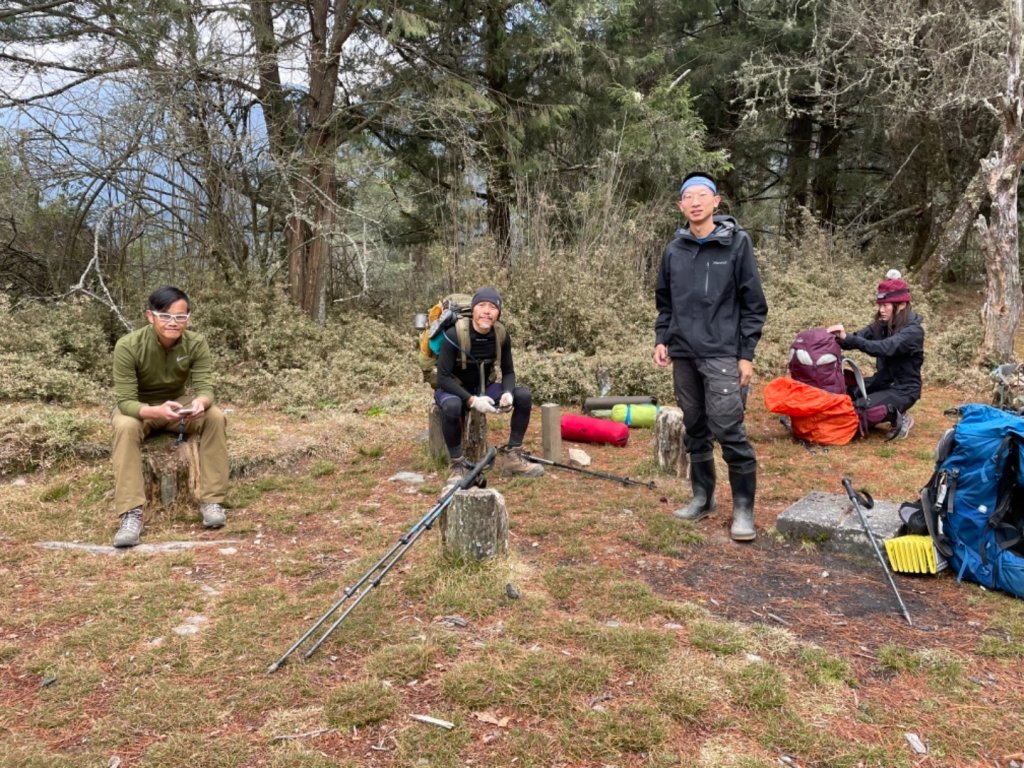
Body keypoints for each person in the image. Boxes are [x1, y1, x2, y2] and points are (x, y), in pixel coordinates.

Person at [654, 172, 768, 542]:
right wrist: (662, 338)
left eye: (703, 195)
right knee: (695, 427)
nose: (696, 201)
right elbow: (665, 302)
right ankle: (702, 498)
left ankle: (743, 510)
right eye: (689, 196)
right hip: (683, 353)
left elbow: (754, 305)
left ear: (716, 203)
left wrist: (745, 354)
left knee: (729, 429)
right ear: (681, 206)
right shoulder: (674, 250)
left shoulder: (737, 245)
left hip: (722, 353)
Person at [110, 286, 229, 547]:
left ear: (188, 318)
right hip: (140, 408)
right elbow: (125, 400)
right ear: (150, 316)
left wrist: (200, 402)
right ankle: (131, 513)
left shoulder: (195, 343)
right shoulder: (128, 346)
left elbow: (206, 388)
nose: (173, 323)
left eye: (180, 317)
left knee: (215, 416)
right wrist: (154, 411)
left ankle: (212, 501)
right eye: (165, 316)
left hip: (177, 406)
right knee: (125, 426)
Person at [434, 286, 543, 488]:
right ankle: (457, 465)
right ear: (474, 310)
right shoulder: (454, 334)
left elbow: (508, 371)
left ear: (498, 313)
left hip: (484, 388)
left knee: (524, 396)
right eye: (482, 305)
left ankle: (513, 456)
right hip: (453, 390)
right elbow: (442, 378)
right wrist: (472, 400)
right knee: (452, 407)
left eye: (492, 307)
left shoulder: (501, 334)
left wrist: (508, 393)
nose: (487, 311)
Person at [826, 277, 923, 440]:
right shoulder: (880, 325)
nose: (881, 310)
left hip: (904, 389)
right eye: (880, 305)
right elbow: (855, 338)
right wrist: (832, 338)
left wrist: (850, 339)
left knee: (860, 409)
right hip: (881, 382)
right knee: (846, 394)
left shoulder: (913, 332)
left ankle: (898, 416)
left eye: (885, 305)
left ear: (902, 305)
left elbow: (884, 348)